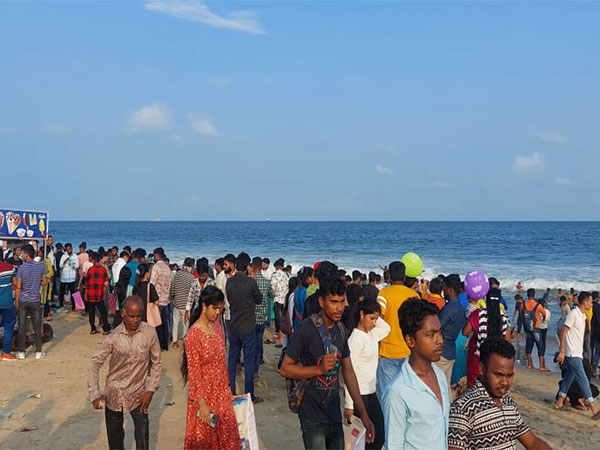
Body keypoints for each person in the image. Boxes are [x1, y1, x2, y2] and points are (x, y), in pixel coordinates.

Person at [280, 277, 375, 450]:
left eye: (342, 301)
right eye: (333, 302)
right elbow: (285, 369)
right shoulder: (306, 329)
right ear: (322, 301)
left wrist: (364, 414)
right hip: (311, 414)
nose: (339, 307)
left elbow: (349, 373)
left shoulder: (341, 330)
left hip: (333, 413)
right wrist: (318, 369)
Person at [448, 338, 552, 450]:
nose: (505, 382)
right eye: (498, 375)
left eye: (510, 375)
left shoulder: (507, 401)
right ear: (482, 369)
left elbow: (531, 441)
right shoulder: (463, 408)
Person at [87, 296, 162, 450]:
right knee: (115, 440)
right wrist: (94, 393)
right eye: (131, 316)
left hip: (139, 393)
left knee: (143, 437)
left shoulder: (149, 333)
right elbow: (95, 362)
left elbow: (156, 362)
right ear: (123, 314)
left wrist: (151, 389)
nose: (135, 320)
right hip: (115, 394)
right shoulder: (113, 337)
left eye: (138, 316)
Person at [383, 299, 449, 450]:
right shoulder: (397, 391)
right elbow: (394, 445)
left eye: (440, 332)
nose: (439, 340)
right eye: (431, 335)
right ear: (410, 341)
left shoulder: (439, 375)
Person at [182, 286, 241, 450]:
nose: (217, 313)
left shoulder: (218, 328)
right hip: (204, 395)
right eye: (214, 308)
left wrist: (228, 387)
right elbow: (194, 372)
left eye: (220, 309)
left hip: (221, 391)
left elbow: (223, 361)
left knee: (228, 438)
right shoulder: (193, 335)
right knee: (205, 439)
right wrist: (202, 403)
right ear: (203, 306)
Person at [343, 299, 390, 450]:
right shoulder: (355, 340)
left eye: (376, 319)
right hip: (359, 395)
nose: (374, 323)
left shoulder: (372, 334)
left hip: (371, 392)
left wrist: (376, 311)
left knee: (379, 432)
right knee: (361, 437)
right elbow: (349, 372)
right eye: (371, 318)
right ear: (362, 314)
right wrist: (349, 405)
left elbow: (387, 328)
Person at [376, 261, 420, 398]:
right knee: (409, 393)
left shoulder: (383, 293)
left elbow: (378, 319)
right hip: (409, 350)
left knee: (388, 395)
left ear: (389, 276)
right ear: (404, 277)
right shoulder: (414, 296)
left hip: (387, 351)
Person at [555, 291, 600, 419]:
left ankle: (559, 401)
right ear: (584, 302)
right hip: (571, 353)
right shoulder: (573, 314)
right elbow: (564, 331)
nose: (592, 304)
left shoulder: (583, 316)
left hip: (577, 352)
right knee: (583, 378)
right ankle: (593, 408)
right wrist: (562, 351)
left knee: (569, 376)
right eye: (590, 302)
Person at [226, 252, 263, 403]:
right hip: (247, 326)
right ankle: (249, 394)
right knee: (248, 360)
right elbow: (259, 300)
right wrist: (253, 279)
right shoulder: (250, 282)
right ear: (248, 266)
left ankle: (231, 391)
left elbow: (230, 299)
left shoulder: (230, 282)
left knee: (232, 358)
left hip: (233, 324)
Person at [462, 288, 511, 387]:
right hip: (496, 358)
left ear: (486, 299)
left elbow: (465, 332)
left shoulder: (478, 314)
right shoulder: (504, 318)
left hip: (477, 357)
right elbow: (508, 342)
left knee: (474, 385)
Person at [15, 244, 47, 360]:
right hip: (35, 299)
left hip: (24, 299)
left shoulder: (21, 268)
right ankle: (38, 351)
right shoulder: (41, 266)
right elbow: (44, 282)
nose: (21, 255)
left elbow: (18, 286)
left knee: (22, 326)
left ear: (26, 254)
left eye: (22, 253)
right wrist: (36, 283)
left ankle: (22, 351)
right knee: (36, 326)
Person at [437, 274, 466, 400]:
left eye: (444, 288)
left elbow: (438, 327)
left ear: (450, 289)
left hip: (443, 351)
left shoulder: (449, 309)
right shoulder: (460, 308)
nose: (442, 291)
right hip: (451, 349)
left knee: (439, 384)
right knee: (447, 384)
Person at [251, 257, 272, 376]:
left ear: (253, 267)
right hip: (261, 318)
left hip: (250, 317)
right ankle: (255, 370)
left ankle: (251, 367)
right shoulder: (266, 282)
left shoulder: (250, 281)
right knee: (259, 344)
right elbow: (271, 294)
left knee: (250, 344)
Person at [170, 257, 196, 348]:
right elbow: (192, 292)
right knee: (185, 324)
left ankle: (175, 342)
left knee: (175, 323)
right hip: (186, 305)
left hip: (177, 303)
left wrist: (173, 297)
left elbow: (172, 288)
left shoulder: (177, 274)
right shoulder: (192, 277)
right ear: (191, 266)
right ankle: (185, 342)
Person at [84, 251, 111, 335]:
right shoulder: (103, 269)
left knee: (91, 313)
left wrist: (86, 293)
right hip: (100, 294)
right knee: (103, 311)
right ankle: (106, 328)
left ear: (93, 260)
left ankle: (93, 328)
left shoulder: (90, 270)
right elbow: (106, 283)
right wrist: (103, 291)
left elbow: (86, 284)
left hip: (90, 295)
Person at [150, 247, 172, 351]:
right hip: (166, 299)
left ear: (156, 255)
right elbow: (169, 284)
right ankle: (165, 344)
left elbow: (152, 284)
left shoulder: (156, 267)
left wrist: (152, 298)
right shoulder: (167, 268)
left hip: (157, 300)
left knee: (157, 323)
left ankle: (158, 345)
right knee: (165, 324)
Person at [522, 288, 547, 370]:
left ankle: (529, 364)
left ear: (527, 295)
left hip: (527, 328)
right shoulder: (538, 305)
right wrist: (541, 319)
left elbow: (521, 312)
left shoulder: (523, 304)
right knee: (540, 345)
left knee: (529, 345)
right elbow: (544, 313)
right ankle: (541, 366)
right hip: (535, 327)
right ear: (534, 295)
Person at [185, 259, 215, 324]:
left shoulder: (212, 283)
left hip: (208, 312)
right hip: (197, 312)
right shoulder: (194, 282)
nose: (202, 278)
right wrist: (187, 311)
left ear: (207, 274)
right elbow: (190, 298)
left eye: (204, 276)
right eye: (200, 276)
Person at [0, 257, 16, 360]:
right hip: (7, 302)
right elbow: (15, 283)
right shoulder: (10, 268)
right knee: (9, 324)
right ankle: (5, 352)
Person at [271, 258, 289, 345]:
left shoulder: (274, 275)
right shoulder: (286, 275)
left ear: (276, 266)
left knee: (278, 316)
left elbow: (273, 286)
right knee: (283, 315)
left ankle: (279, 332)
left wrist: (273, 295)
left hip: (277, 298)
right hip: (284, 297)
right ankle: (282, 333)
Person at [59, 243, 79, 310]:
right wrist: (65, 261)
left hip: (72, 277)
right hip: (64, 277)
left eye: (69, 249)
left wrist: (72, 264)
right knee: (61, 292)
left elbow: (77, 266)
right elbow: (60, 266)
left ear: (72, 249)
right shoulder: (63, 256)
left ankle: (74, 306)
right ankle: (61, 305)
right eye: (67, 249)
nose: (68, 251)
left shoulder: (75, 256)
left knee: (73, 292)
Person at [538, 297, 551, 369]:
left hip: (538, 327)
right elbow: (548, 320)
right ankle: (542, 356)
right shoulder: (547, 311)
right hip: (544, 328)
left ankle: (541, 357)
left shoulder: (537, 311)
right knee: (543, 343)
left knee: (539, 343)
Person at [591, 291, 600, 377]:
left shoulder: (589, 306)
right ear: (597, 298)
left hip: (589, 330)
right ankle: (594, 368)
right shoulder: (598, 307)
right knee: (597, 351)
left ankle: (591, 367)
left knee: (590, 349)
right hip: (597, 331)